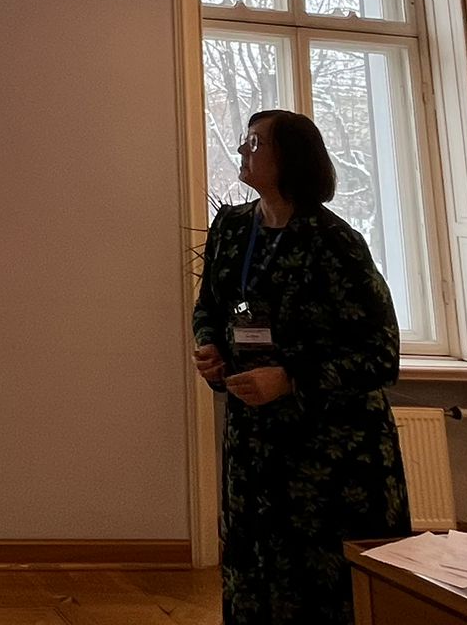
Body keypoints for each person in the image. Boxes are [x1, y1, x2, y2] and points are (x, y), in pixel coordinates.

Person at [192, 108, 409, 625]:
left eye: (255, 143)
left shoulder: (336, 242)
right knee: (254, 577)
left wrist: (290, 378)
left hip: (330, 451)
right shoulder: (232, 229)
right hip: (254, 442)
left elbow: (381, 354)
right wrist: (211, 347)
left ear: (290, 158)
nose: (242, 150)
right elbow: (210, 309)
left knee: (325, 591)